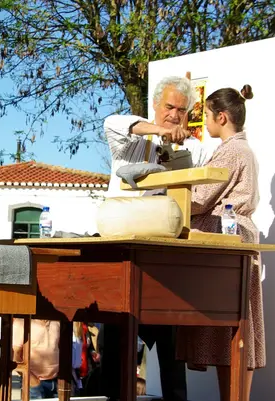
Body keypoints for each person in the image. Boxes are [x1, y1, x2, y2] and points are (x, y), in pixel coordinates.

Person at [101, 76, 210, 401]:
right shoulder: (127, 140)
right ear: (155, 106)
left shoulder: (194, 149)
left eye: (181, 109)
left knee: (171, 347)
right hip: (122, 250)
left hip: (162, 257)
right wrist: (158, 131)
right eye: (169, 107)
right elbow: (113, 122)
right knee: (115, 342)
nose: (174, 114)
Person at [176, 85, 263, 401]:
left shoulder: (231, 151)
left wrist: (169, 190)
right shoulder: (241, 150)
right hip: (234, 240)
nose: (204, 123)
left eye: (208, 116)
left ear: (222, 117)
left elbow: (200, 198)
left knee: (232, 328)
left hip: (227, 242)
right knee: (233, 327)